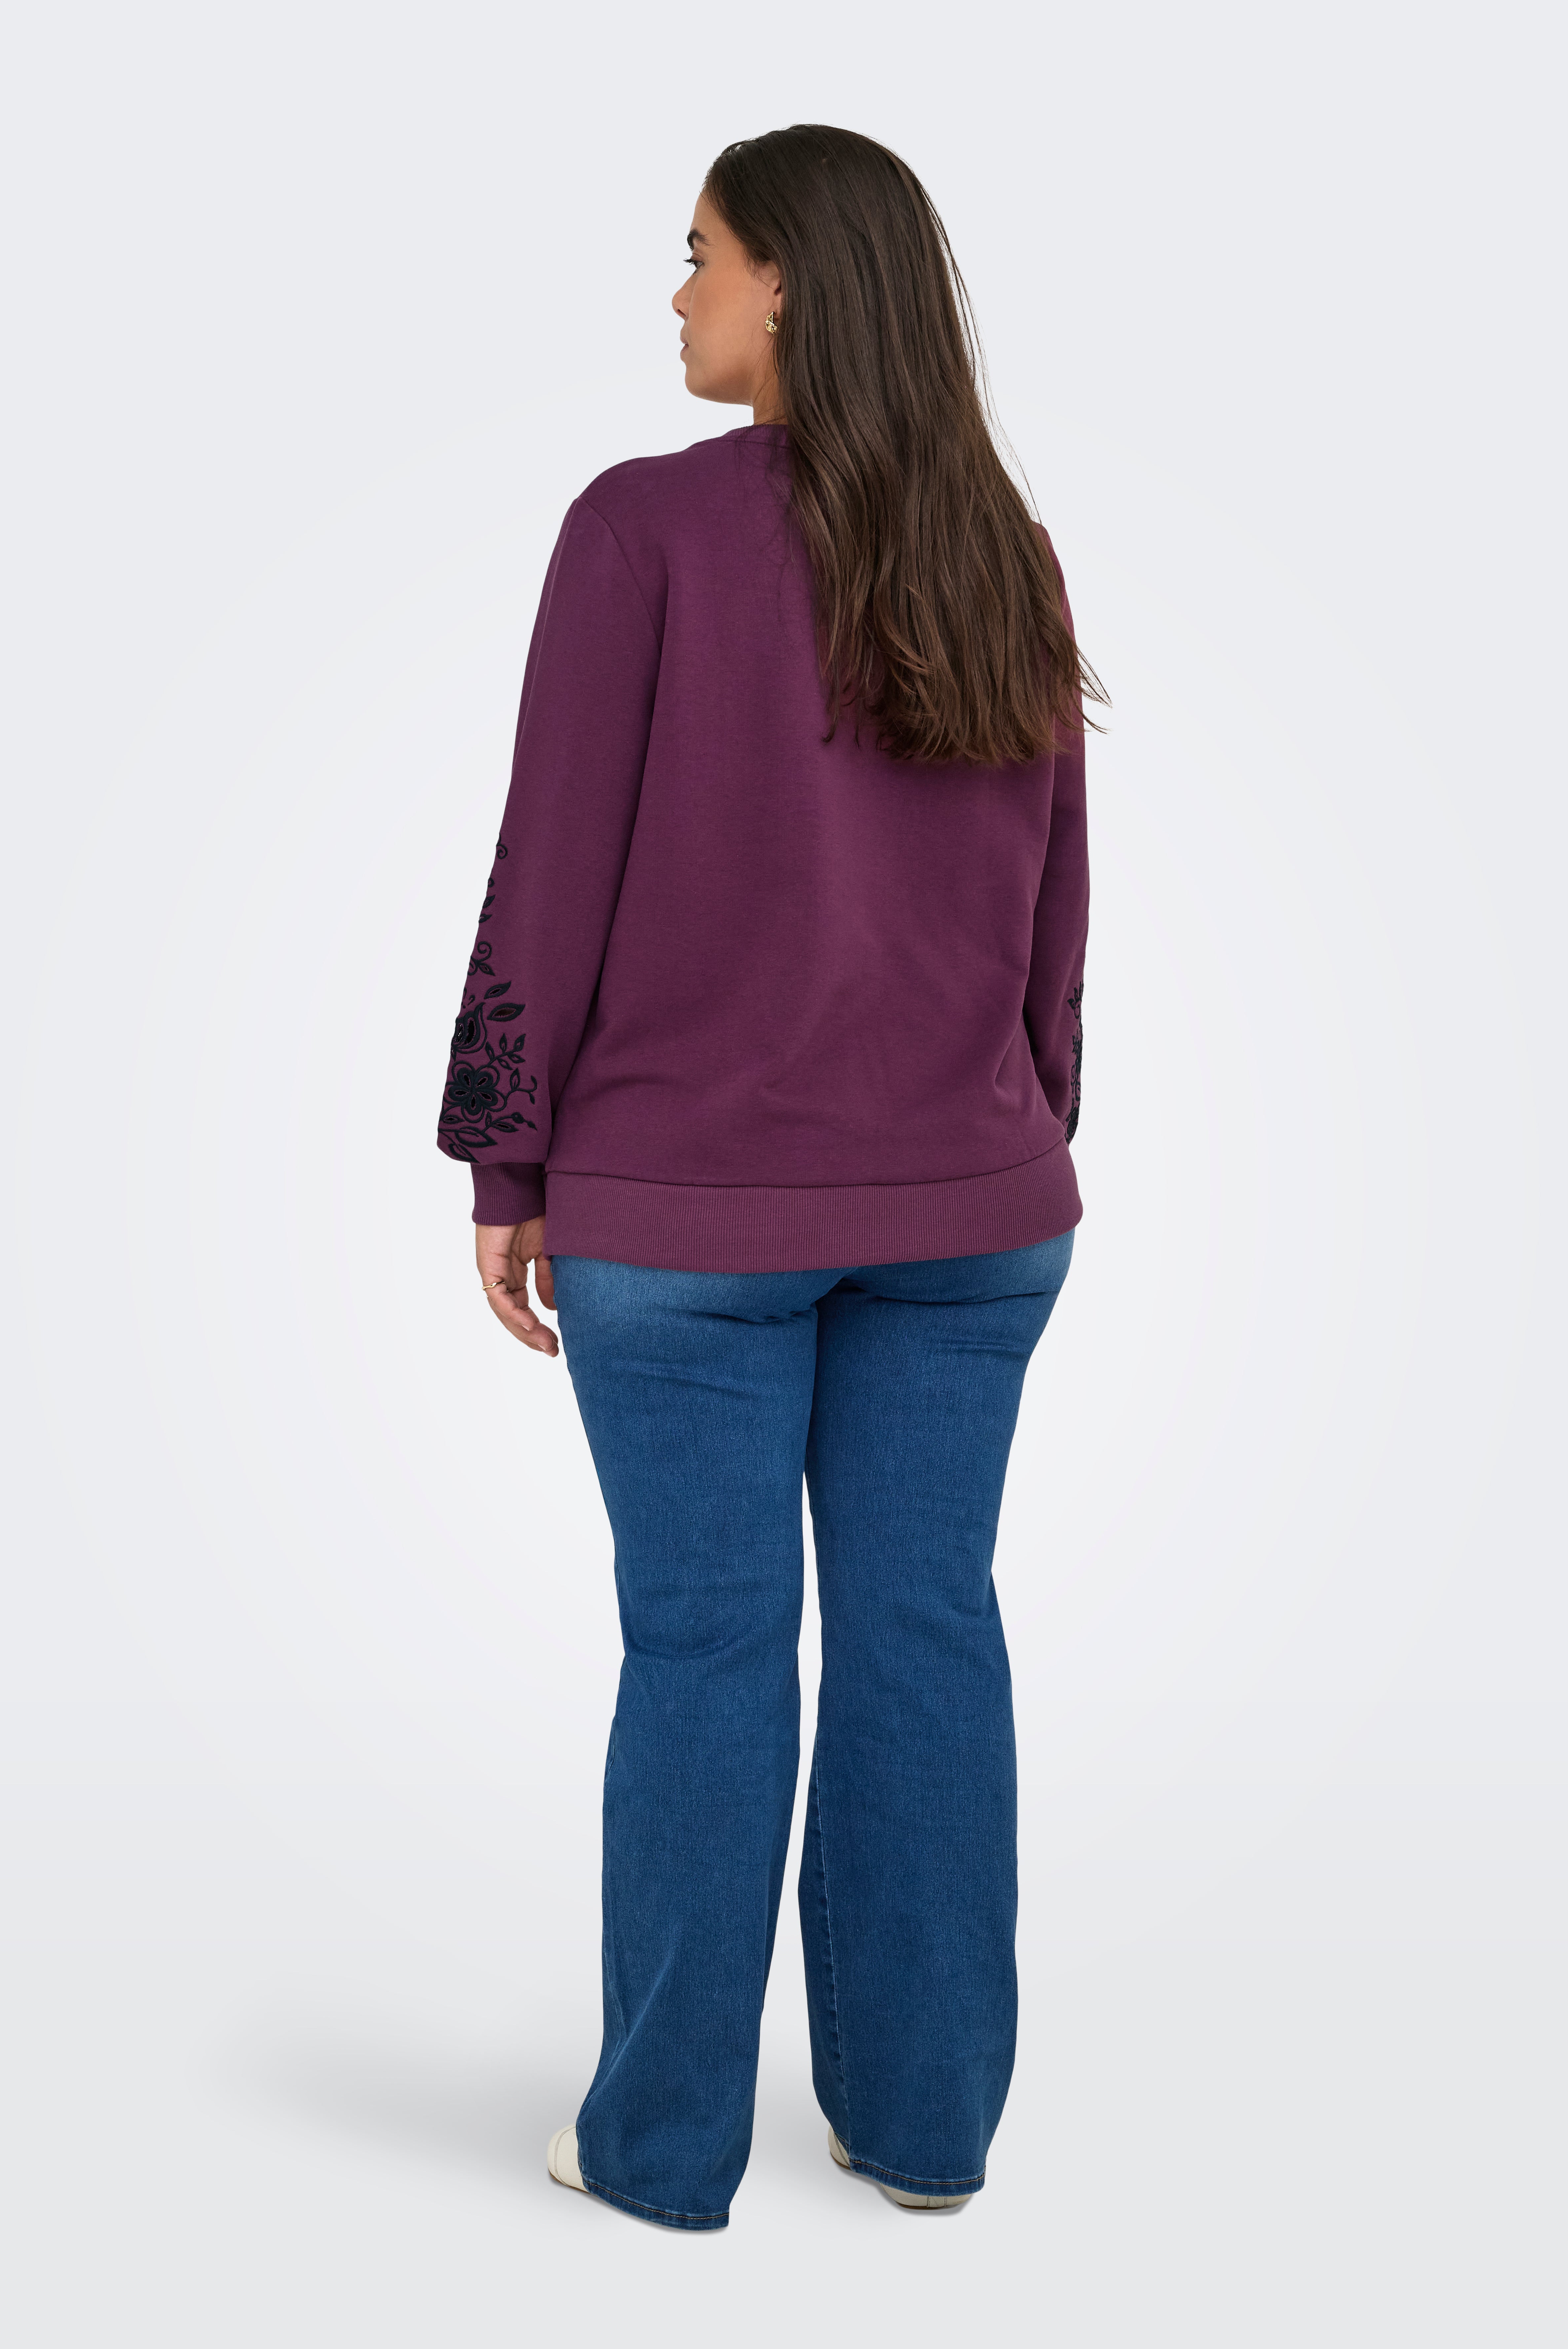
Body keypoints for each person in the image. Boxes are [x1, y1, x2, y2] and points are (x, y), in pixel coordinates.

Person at [436, 124, 1098, 2231]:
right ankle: (925, 2128)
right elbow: (1054, 899)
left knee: (711, 1649)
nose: (680, 293)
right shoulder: (1002, 544)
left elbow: (554, 861)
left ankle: (659, 2149)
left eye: (702, 254)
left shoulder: (641, 531)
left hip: (690, 1216)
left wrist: (507, 1152)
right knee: (927, 1630)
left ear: (792, 279)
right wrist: (1017, 1123)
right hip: (977, 1207)